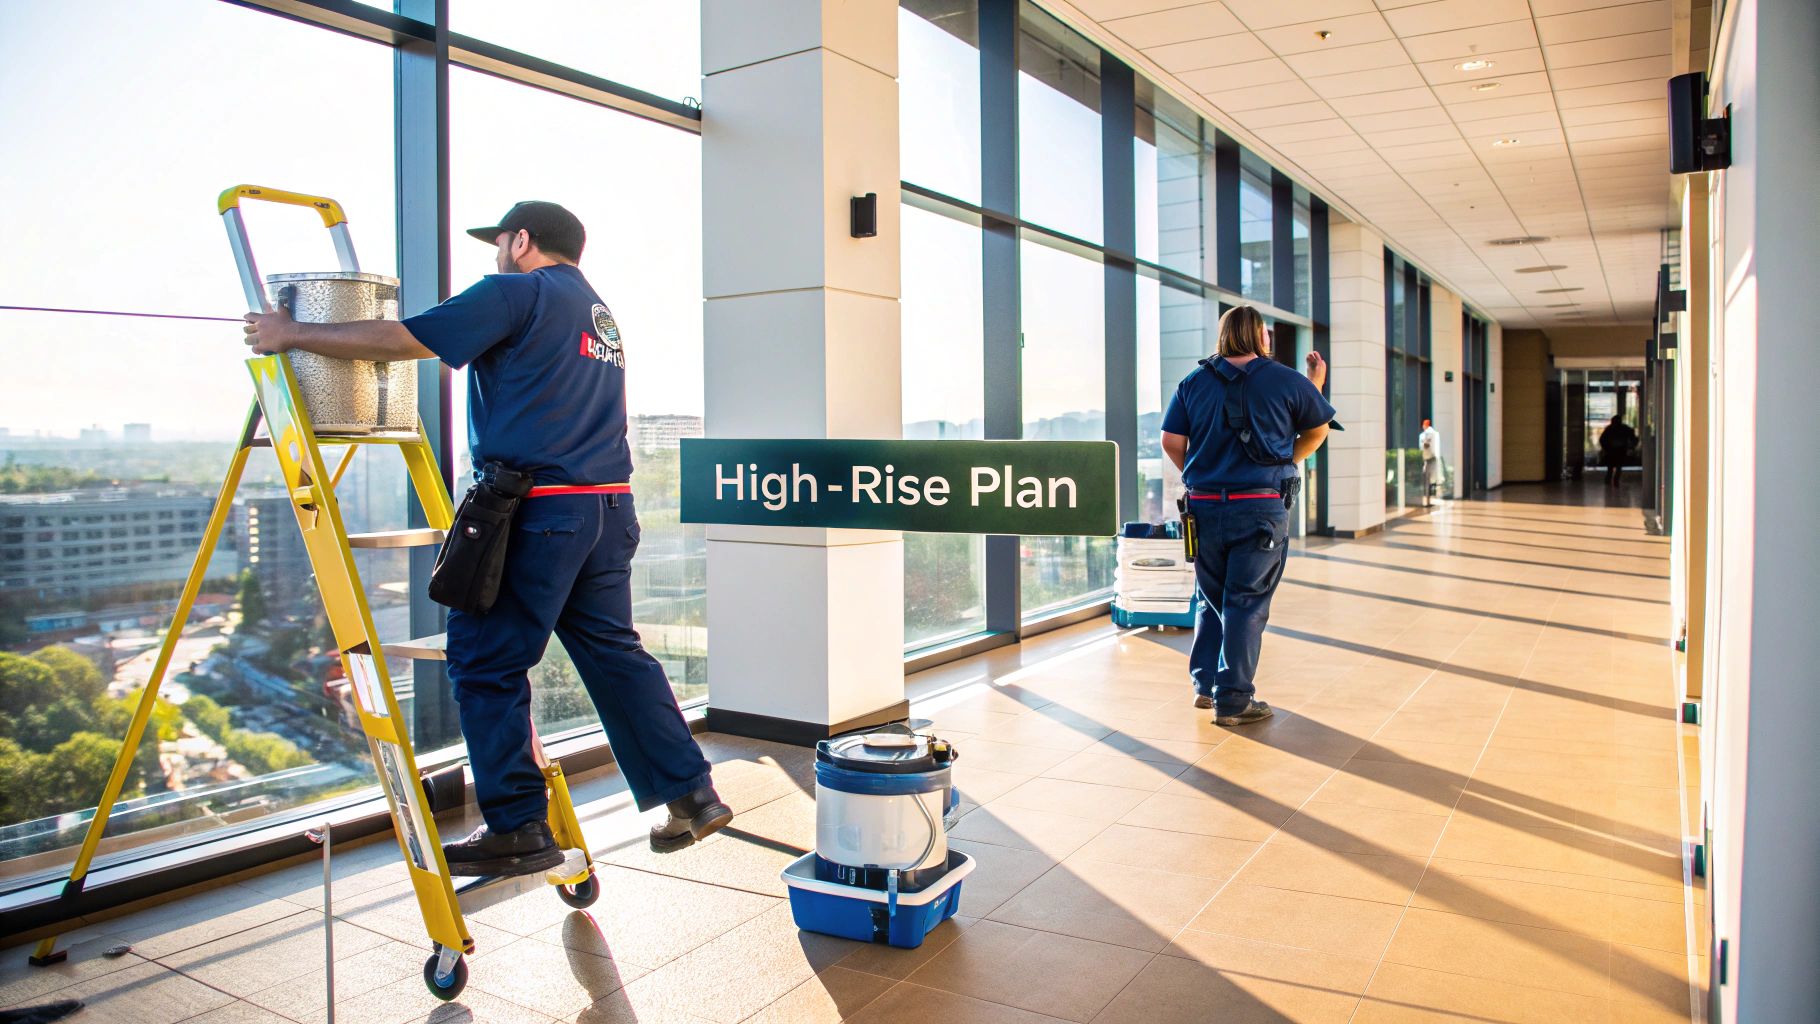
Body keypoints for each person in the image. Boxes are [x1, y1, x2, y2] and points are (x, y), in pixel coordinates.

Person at [243, 201, 730, 875]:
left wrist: (291, 333)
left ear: (522, 240)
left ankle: (519, 826)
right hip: (606, 508)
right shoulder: (597, 312)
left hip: (541, 512)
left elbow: (406, 339)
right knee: (615, 654)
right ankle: (691, 793)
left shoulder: (515, 291)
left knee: (483, 661)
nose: (496, 255)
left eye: (500, 242)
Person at [1161, 306, 1334, 725]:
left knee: (1212, 596)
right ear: (1260, 336)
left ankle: (1206, 685)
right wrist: (1281, 462)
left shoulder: (1193, 381)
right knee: (1245, 602)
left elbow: (1170, 440)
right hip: (1259, 507)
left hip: (1203, 507)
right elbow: (1317, 427)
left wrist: (1201, 475)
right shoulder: (1286, 380)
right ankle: (1234, 699)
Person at [1598, 414, 1636, 487]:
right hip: (1619, 451)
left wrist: (1606, 448)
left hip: (1612, 451)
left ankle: (1609, 481)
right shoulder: (1624, 428)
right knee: (1618, 467)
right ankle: (1615, 481)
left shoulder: (1609, 429)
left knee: (1611, 468)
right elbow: (1632, 436)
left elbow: (1602, 440)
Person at [1418, 418, 1441, 505]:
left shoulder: (1428, 434)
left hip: (1429, 458)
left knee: (1429, 477)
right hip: (1431, 457)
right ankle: (1428, 497)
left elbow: (1425, 446)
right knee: (1430, 478)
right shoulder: (1430, 434)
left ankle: (1428, 496)